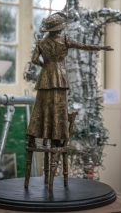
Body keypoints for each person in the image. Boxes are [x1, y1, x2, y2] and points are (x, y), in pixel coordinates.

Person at [26, 12, 113, 147]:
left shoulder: (41, 43)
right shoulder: (65, 40)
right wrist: (101, 47)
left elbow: (34, 59)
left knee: (41, 106)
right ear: (59, 28)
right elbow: (84, 46)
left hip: (45, 77)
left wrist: (45, 65)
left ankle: (31, 136)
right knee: (59, 106)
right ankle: (56, 137)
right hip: (59, 77)